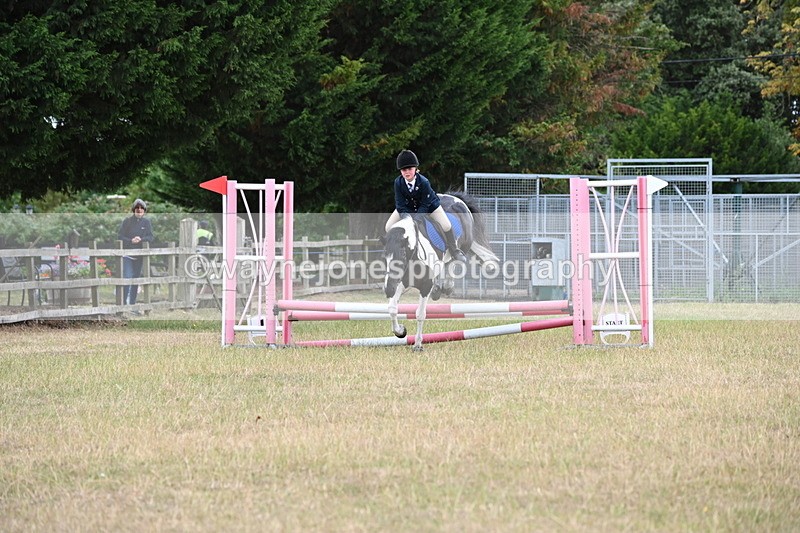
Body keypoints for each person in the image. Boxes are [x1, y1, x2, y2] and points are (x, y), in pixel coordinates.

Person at [384, 149, 467, 262]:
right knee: (388, 227)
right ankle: (393, 253)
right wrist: (406, 218)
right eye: (404, 170)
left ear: (416, 169)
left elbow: (424, 204)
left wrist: (416, 219)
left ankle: (454, 250)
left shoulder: (423, 182)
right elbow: (400, 203)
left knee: (446, 225)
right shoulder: (398, 182)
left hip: (429, 206)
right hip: (407, 208)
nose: (407, 172)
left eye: (410, 169)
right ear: (400, 171)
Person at [118, 198, 154, 305]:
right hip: (127, 255)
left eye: (141, 208)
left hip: (140, 256)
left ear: (144, 210)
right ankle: (123, 303)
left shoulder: (147, 222)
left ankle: (132, 304)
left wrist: (141, 240)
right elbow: (120, 236)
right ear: (133, 209)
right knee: (127, 277)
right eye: (137, 208)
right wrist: (131, 241)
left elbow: (151, 237)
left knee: (136, 280)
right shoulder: (127, 221)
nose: (139, 210)